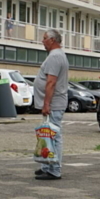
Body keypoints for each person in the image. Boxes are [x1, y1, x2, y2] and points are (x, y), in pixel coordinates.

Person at [34, 29, 70, 180]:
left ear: (52, 40)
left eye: (44, 38)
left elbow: (51, 82)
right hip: (53, 103)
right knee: (46, 134)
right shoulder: (56, 55)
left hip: (54, 103)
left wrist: (46, 103)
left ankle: (54, 169)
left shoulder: (55, 56)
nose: (42, 41)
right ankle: (46, 165)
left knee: (53, 135)